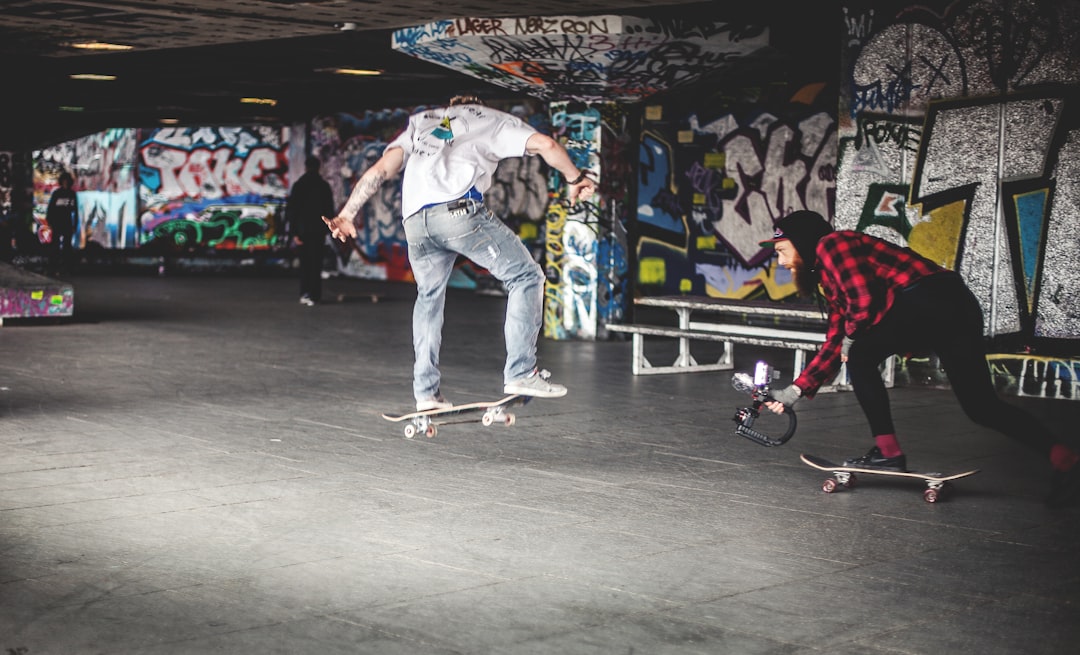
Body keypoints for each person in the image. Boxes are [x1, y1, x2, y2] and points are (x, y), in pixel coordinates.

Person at [760, 209, 1080, 508]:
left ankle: (888, 453)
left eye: (782, 251)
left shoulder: (832, 244)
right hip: (957, 307)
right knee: (981, 407)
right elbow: (836, 338)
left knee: (859, 357)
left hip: (926, 298)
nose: (782, 261)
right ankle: (1062, 457)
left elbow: (864, 301)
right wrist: (793, 393)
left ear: (803, 243)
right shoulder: (831, 280)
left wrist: (850, 342)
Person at [324, 95, 596, 411]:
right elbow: (546, 145)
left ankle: (426, 394)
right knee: (526, 276)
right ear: (475, 104)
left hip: (415, 223)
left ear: (451, 105)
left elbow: (381, 169)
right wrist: (576, 178)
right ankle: (521, 372)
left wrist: (346, 213)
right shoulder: (491, 119)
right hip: (458, 214)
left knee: (428, 298)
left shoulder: (421, 122)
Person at [287, 156, 335, 305]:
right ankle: (315, 295)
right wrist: (328, 229)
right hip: (318, 231)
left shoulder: (298, 185)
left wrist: (294, 233)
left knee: (305, 264)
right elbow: (329, 210)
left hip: (302, 231)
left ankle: (305, 293)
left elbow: (292, 211)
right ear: (319, 167)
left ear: (306, 167)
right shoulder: (324, 186)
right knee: (316, 263)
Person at [45, 171, 79, 276]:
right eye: (63, 181)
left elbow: (75, 211)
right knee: (54, 246)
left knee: (67, 247)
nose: (65, 183)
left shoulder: (72, 194)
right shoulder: (57, 193)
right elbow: (50, 208)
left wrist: (75, 225)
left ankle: (67, 268)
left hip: (67, 223)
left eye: (67, 181)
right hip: (57, 222)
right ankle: (53, 268)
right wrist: (49, 221)